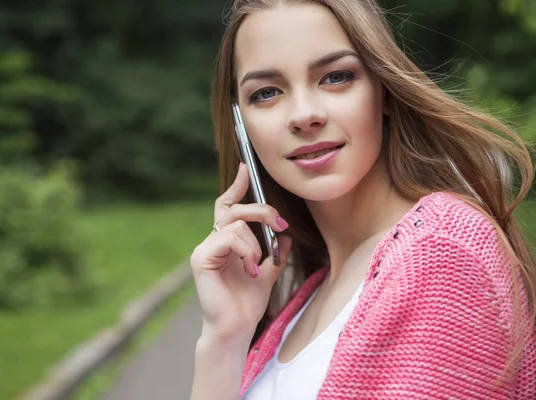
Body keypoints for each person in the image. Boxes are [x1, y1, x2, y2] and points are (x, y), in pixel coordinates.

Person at [189, 0, 536, 399]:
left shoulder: (443, 252)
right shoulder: (311, 295)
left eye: (336, 77)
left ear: (384, 91)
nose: (304, 115)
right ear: (241, 126)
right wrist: (224, 340)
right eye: (266, 92)